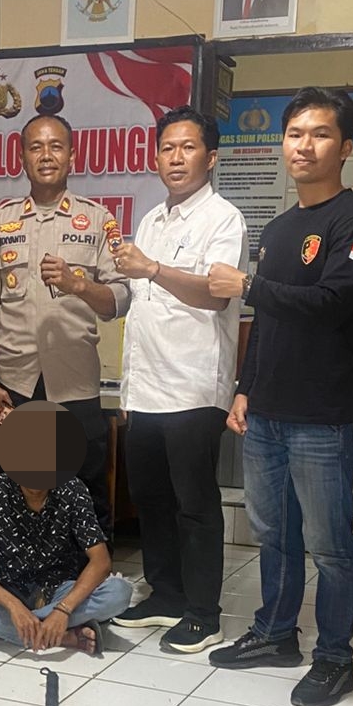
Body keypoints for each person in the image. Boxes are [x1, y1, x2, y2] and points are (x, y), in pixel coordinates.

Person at [206, 85, 353, 706]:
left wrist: (249, 285)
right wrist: (245, 388)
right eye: (295, 133)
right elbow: (268, 322)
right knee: (274, 534)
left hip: (322, 416)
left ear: (345, 147)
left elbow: (333, 302)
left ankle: (335, 657)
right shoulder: (282, 227)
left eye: (320, 134)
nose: (303, 146)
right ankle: (276, 633)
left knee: (331, 544)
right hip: (267, 412)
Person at [110, 107, 249, 653]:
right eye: (167, 147)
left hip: (193, 387)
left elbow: (215, 294)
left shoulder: (223, 218)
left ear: (210, 158)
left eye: (188, 147)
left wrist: (153, 268)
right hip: (146, 390)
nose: (176, 157)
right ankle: (165, 595)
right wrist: (128, 390)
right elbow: (142, 308)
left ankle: (203, 612)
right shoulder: (151, 220)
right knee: (150, 498)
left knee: (195, 504)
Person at [0, 113, 127, 535]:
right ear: (22, 157)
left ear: (72, 156)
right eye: (36, 147)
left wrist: (79, 285)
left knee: (85, 491)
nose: (46, 155)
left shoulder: (98, 220)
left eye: (56, 146)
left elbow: (119, 300)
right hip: (16, 382)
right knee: (16, 493)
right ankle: (21, 569)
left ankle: (91, 572)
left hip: (75, 383)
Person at [0, 403, 132, 655]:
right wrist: (14, 606)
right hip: (7, 589)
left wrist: (63, 610)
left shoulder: (72, 489)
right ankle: (63, 636)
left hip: (59, 590)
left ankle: (5, 629)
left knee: (119, 592)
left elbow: (101, 561)